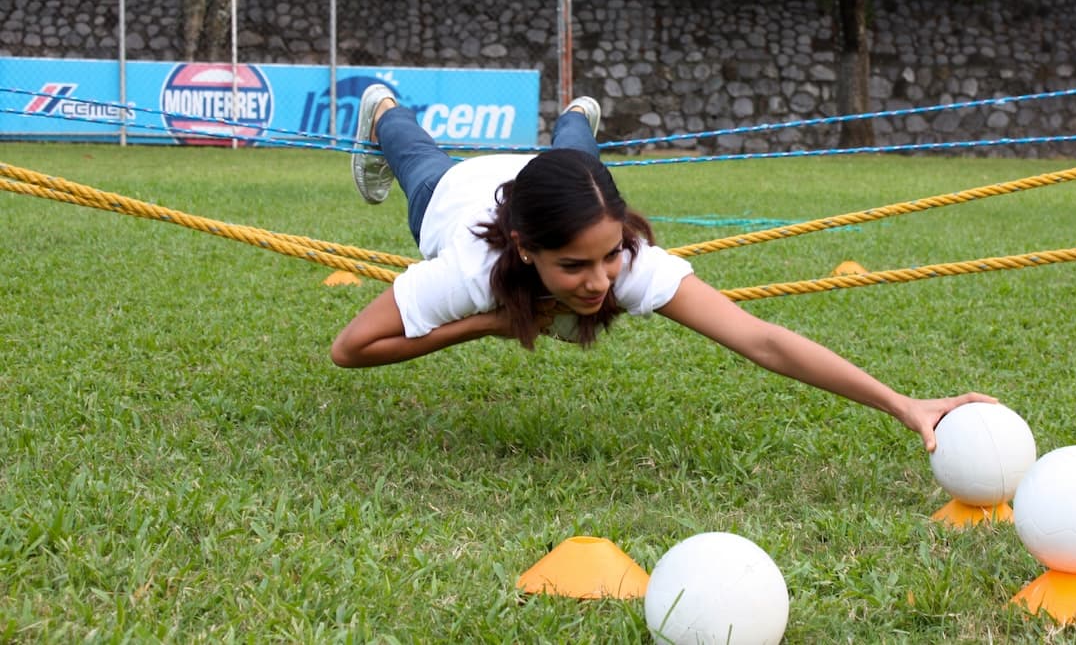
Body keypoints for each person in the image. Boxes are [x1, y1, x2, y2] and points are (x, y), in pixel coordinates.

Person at [330, 84, 995, 451]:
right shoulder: (470, 271)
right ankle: (383, 107)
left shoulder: (629, 260)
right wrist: (493, 325)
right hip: (463, 192)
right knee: (418, 160)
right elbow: (350, 349)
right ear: (525, 249)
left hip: (561, 189)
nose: (599, 282)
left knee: (583, 162)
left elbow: (759, 338)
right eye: (573, 266)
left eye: (608, 255)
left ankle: (573, 119)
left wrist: (901, 404)